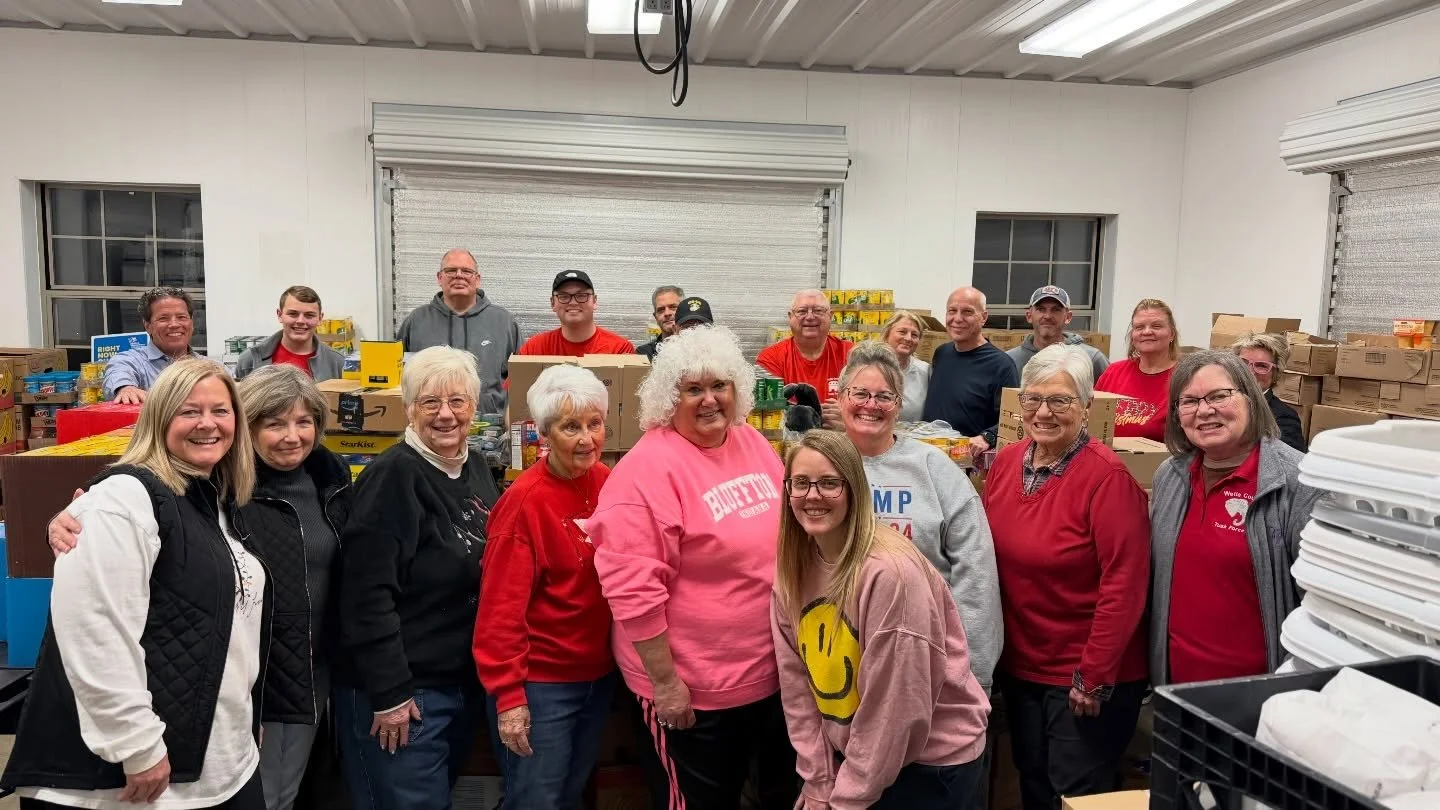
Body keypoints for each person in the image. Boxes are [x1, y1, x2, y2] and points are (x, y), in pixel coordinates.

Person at [44, 364, 355, 810]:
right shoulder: (217, 487)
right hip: (223, 691)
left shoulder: (329, 478)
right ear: (248, 427)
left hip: (292, 674)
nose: (292, 436)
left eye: (304, 422)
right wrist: (67, 520)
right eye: (274, 423)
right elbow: (97, 612)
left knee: (284, 787)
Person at [2, 359, 269, 809]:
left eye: (221, 411)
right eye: (189, 411)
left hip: (220, 762)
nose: (208, 424)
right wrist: (137, 745)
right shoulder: (122, 500)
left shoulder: (216, 498)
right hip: (134, 783)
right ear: (158, 418)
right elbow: (93, 628)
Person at [587, 325, 798, 810]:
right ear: (668, 397)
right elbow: (632, 590)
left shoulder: (750, 443)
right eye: (693, 389)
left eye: (719, 385)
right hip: (691, 690)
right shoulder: (646, 471)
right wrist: (665, 683)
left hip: (765, 674)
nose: (710, 400)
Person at [772, 430, 991, 809]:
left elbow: (895, 711)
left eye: (829, 483)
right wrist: (818, 780)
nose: (812, 495)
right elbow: (797, 688)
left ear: (854, 489)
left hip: (930, 765)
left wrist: (845, 800)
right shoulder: (794, 567)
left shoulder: (889, 575)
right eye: (801, 483)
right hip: (862, 755)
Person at [981, 345, 1150, 810]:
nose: (1044, 412)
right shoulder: (1008, 461)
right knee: (1032, 779)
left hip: (1082, 674)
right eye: (1033, 399)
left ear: (1087, 406)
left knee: (1075, 793)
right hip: (1024, 663)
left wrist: (1093, 676)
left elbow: (1125, 585)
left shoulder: (1108, 479)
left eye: (1060, 401)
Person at [333, 346, 501, 810]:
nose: (445, 415)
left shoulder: (476, 468)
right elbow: (366, 598)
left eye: (457, 401)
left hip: (456, 683)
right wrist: (389, 694)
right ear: (409, 409)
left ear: (475, 407)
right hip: (401, 694)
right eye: (430, 403)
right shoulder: (392, 479)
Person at [475, 364, 617, 810]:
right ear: (544, 433)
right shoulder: (524, 504)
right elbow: (500, 611)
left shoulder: (605, 482)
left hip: (597, 675)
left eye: (594, 424)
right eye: (570, 427)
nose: (586, 438)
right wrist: (510, 697)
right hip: (542, 685)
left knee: (570, 795)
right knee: (536, 800)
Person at [836, 342, 1002, 694]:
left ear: (899, 406)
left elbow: (976, 575)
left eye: (885, 396)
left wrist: (972, 674)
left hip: (925, 662)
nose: (871, 405)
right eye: (860, 393)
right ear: (840, 398)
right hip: (838, 660)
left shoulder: (934, 468)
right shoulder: (819, 464)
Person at [1150, 351, 1323, 687]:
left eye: (1219, 396)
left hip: (1260, 693)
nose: (1204, 410)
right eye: (1189, 401)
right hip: (1176, 684)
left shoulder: (1296, 483)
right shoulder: (1170, 476)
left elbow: (1320, 608)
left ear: (1252, 399)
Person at [397, 248, 521, 414]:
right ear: (439, 278)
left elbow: (520, 379)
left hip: (489, 427)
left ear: (477, 279)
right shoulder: (417, 321)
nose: (459, 275)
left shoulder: (503, 321)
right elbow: (397, 376)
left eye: (467, 271)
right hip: (433, 424)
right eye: (451, 270)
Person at [921, 287, 1018, 458]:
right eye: (952, 311)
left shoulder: (1001, 365)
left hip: (967, 461)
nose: (957, 319)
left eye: (967, 312)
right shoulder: (942, 353)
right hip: (929, 453)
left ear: (984, 318)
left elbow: (1012, 419)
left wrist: (986, 437)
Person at [756, 289, 853, 428]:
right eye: (802, 311)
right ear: (790, 317)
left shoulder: (852, 355)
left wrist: (849, 418)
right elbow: (766, 415)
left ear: (830, 316)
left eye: (818, 311)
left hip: (842, 442)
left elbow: (868, 401)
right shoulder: (770, 358)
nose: (810, 317)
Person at [104, 287, 217, 405]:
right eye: (163, 318)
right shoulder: (130, 361)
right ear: (148, 326)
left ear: (191, 323)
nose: (174, 324)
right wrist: (125, 389)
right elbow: (117, 376)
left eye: (181, 317)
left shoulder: (214, 368)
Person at [1094, 299, 1180, 442]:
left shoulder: (1184, 379)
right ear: (1133, 335)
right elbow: (1091, 422)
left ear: (1171, 334)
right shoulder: (1113, 372)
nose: (1147, 332)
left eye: (1156, 326)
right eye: (1139, 327)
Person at [235, 286, 346, 382]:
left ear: (320, 318)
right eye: (293, 314)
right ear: (279, 315)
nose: (301, 321)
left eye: (309, 315)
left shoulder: (337, 363)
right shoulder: (250, 360)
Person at [518, 271, 636, 356]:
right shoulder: (533, 349)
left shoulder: (620, 350)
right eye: (564, 296)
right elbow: (515, 389)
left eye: (581, 296)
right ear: (552, 303)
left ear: (594, 301)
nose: (573, 302)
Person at [1006, 285, 1109, 383]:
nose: (1047, 316)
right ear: (1029, 316)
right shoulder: (1010, 361)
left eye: (1056, 310)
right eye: (1041, 309)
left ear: (1068, 317)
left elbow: (1109, 400)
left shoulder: (1091, 359)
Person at [1231, 332, 1307, 453]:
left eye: (1261, 366)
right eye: (1243, 363)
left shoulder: (1284, 417)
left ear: (1276, 374)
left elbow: (1287, 465)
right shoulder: (1218, 402)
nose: (1250, 372)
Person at [880, 311, 931, 422]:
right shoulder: (871, 367)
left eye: (914, 335)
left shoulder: (925, 371)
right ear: (887, 334)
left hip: (913, 438)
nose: (908, 338)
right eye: (902, 332)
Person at [637, 285, 684, 359]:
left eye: (673, 307)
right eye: (661, 310)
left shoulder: (700, 347)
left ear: (685, 311)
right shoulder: (645, 353)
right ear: (655, 317)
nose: (667, 313)